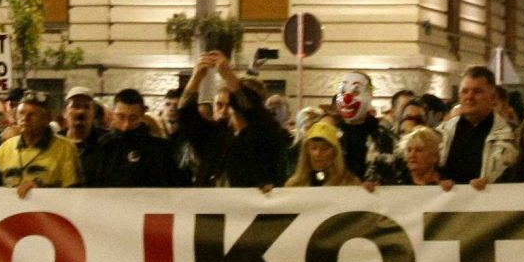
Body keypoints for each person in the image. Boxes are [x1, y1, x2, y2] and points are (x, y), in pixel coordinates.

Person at [178, 52, 291, 188]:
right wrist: (197, 77)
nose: (225, 110)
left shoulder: (266, 134)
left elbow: (252, 109)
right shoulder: (217, 135)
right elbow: (186, 115)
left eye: (232, 100)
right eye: (219, 105)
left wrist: (228, 75)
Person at [86, 88, 186, 188]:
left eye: (133, 118)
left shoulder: (159, 149)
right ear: (113, 114)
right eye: (121, 116)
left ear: (142, 115)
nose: (126, 124)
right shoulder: (104, 145)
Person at [438, 66, 517, 184]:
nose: (469, 97)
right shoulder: (442, 134)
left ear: (493, 97)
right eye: (465, 91)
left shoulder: (509, 136)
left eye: (477, 92)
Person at [0, 90, 80, 189]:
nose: (25, 118)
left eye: (32, 114)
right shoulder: (5, 148)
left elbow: (73, 192)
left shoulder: (65, 149)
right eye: (21, 113)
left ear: (47, 119)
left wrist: (41, 191)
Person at [330, 73, 399, 184]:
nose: (347, 98)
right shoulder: (331, 134)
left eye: (355, 92)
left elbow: (389, 174)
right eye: (343, 92)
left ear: (368, 96)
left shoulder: (383, 137)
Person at [286, 119, 359, 187]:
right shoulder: (294, 184)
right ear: (306, 151)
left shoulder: (350, 183)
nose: (318, 153)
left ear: (335, 152)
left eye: (324, 149)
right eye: (313, 148)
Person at [397, 126, 452, 191]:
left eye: (418, 150)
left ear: (434, 157)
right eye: (409, 150)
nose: (411, 155)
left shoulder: (450, 180)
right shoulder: (396, 183)